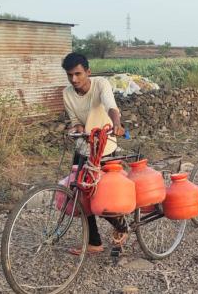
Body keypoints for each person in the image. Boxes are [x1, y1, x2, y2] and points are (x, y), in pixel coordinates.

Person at [61, 52, 127, 255]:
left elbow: (110, 107)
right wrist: (77, 129)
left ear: (88, 72)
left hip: (104, 148)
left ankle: (121, 225)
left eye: (78, 74)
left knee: (102, 196)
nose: (74, 79)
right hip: (83, 148)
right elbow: (76, 122)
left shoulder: (101, 85)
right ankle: (94, 242)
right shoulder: (67, 93)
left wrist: (116, 124)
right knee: (80, 194)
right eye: (70, 75)